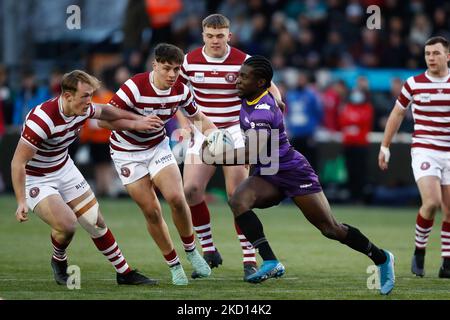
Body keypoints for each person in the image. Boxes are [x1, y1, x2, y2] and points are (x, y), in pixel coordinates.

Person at [206, 55, 395, 295]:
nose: (237, 81)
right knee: (238, 200)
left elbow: (252, 152)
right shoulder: (254, 96)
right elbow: (272, 101)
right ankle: (271, 261)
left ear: (260, 82)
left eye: (244, 77)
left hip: (293, 171)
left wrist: (215, 156)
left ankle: (382, 258)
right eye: (240, 75)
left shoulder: (262, 111)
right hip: (269, 170)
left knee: (330, 228)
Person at [11, 70, 161, 286]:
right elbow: (18, 163)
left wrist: (139, 121)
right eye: (85, 96)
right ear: (67, 96)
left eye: (91, 95)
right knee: (67, 225)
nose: (89, 101)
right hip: (37, 178)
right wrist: (21, 201)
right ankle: (59, 259)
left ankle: (124, 273)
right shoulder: (41, 120)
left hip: (63, 168)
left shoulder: (82, 108)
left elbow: (108, 112)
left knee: (95, 221)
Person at [177, 13, 283, 279]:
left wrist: (278, 103)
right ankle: (209, 250)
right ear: (203, 35)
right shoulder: (189, 61)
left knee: (236, 195)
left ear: (229, 36)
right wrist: (186, 125)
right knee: (190, 190)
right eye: (210, 36)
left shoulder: (242, 60)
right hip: (203, 130)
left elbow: (270, 86)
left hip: (236, 131)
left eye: (220, 36)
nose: (215, 40)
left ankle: (249, 259)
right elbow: (177, 95)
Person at [100, 43, 215, 285]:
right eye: (166, 68)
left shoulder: (181, 90)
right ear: (155, 65)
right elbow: (104, 121)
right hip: (126, 152)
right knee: (152, 212)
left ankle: (192, 251)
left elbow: (198, 118)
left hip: (157, 147)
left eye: (176, 69)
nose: (172, 74)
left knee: (176, 197)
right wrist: (136, 124)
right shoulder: (134, 87)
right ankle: (174, 265)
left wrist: (218, 136)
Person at [378, 36, 450, 279]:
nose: (431, 57)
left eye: (436, 53)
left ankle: (446, 262)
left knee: (449, 210)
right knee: (431, 202)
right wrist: (385, 146)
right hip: (425, 149)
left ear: (447, 56)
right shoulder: (414, 84)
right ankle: (419, 251)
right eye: (428, 53)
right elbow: (397, 114)